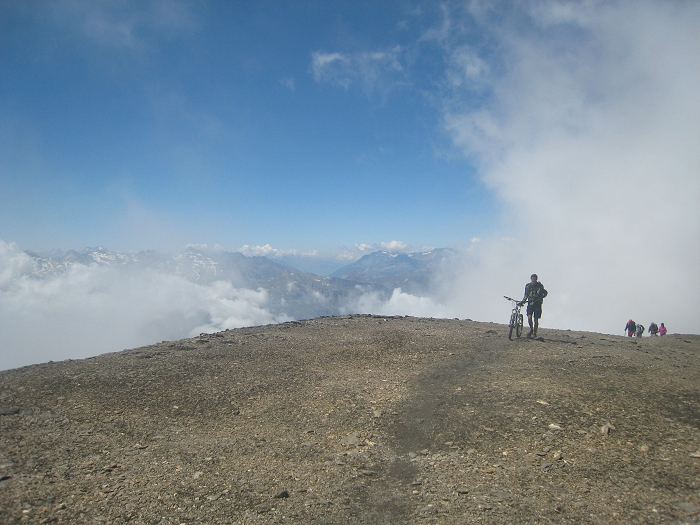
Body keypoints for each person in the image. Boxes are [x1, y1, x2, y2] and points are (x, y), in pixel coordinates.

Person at [519, 274, 548, 338]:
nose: (533, 280)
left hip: (537, 304)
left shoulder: (540, 286)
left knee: (536, 319)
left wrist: (540, 297)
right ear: (531, 279)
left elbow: (543, 293)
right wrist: (523, 301)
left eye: (534, 279)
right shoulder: (528, 286)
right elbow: (526, 295)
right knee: (529, 317)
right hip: (530, 303)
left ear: (536, 279)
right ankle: (531, 329)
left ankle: (534, 333)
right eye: (532, 279)